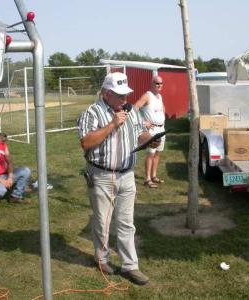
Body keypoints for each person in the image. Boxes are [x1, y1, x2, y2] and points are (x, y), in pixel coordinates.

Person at [77, 72, 157, 286]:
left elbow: (140, 134)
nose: (124, 100)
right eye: (119, 96)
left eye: (126, 95)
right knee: (102, 222)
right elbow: (86, 142)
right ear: (106, 93)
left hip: (127, 175)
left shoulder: (131, 112)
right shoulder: (92, 113)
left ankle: (130, 266)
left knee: (126, 223)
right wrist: (112, 124)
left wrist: (150, 140)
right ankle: (102, 259)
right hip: (102, 175)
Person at [134, 75, 166, 188]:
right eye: (157, 83)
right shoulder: (147, 95)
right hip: (151, 130)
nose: (159, 85)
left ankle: (154, 176)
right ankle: (147, 179)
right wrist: (143, 121)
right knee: (150, 154)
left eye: (161, 83)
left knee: (158, 153)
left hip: (161, 128)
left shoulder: (159, 96)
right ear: (152, 83)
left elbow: (162, 109)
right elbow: (135, 108)